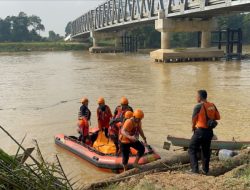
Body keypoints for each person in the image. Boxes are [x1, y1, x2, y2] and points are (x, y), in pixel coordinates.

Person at [189, 90, 220, 174]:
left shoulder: (198, 106)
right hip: (209, 132)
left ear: (199, 97)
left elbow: (193, 120)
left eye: (196, 96)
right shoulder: (212, 105)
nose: (196, 97)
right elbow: (218, 117)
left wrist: (193, 129)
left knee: (191, 149)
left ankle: (195, 170)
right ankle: (205, 170)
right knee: (205, 151)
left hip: (200, 132)